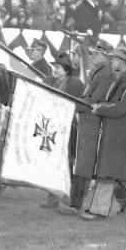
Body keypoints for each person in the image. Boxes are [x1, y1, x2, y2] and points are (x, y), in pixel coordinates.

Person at [80, 45, 126, 220]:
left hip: (122, 134)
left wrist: (100, 108)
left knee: (108, 172)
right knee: (117, 173)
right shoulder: (123, 78)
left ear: (122, 62)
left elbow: (121, 107)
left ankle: (99, 210)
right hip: (116, 132)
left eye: (114, 59)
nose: (111, 62)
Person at [62, 41, 115, 215]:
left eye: (96, 54)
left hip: (94, 121)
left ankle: (75, 205)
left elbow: (94, 100)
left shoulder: (106, 74)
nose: (92, 56)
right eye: (92, 53)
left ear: (106, 56)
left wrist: (71, 106)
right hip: (87, 121)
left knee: (84, 164)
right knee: (85, 164)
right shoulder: (98, 71)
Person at [40, 51, 85, 209]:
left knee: (66, 163)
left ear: (66, 70)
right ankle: (52, 197)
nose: (55, 70)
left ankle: (66, 197)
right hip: (51, 128)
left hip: (69, 128)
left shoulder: (76, 84)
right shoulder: (48, 81)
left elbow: (82, 103)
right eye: (54, 67)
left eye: (58, 67)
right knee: (51, 163)